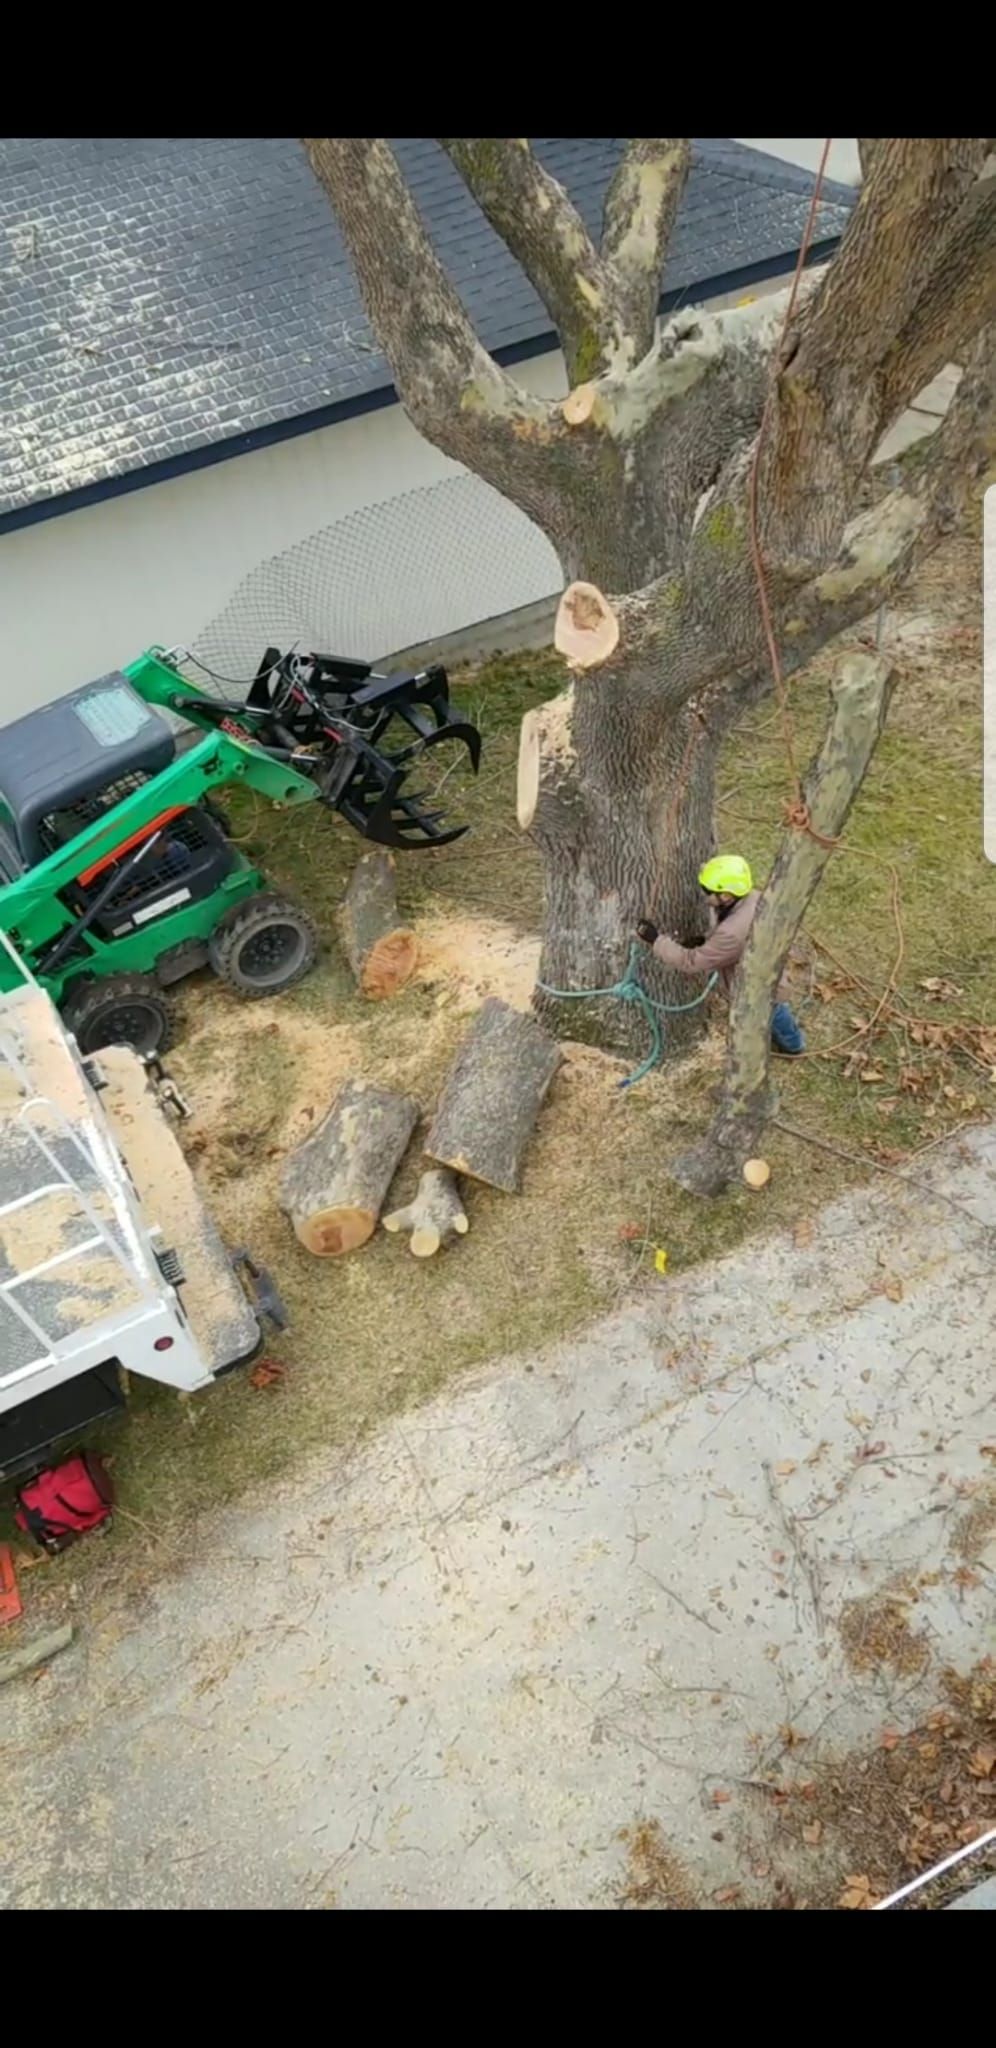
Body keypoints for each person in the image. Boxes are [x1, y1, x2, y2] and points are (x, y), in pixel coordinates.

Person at [634, 854, 805, 1056]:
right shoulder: (754, 898)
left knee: (774, 1012)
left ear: (725, 896)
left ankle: (793, 1045)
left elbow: (691, 962)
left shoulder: (731, 933)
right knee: (772, 1009)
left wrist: (656, 940)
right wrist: (705, 940)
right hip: (768, 971)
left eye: (708, 892)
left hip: (760, 987)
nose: (705, 897)